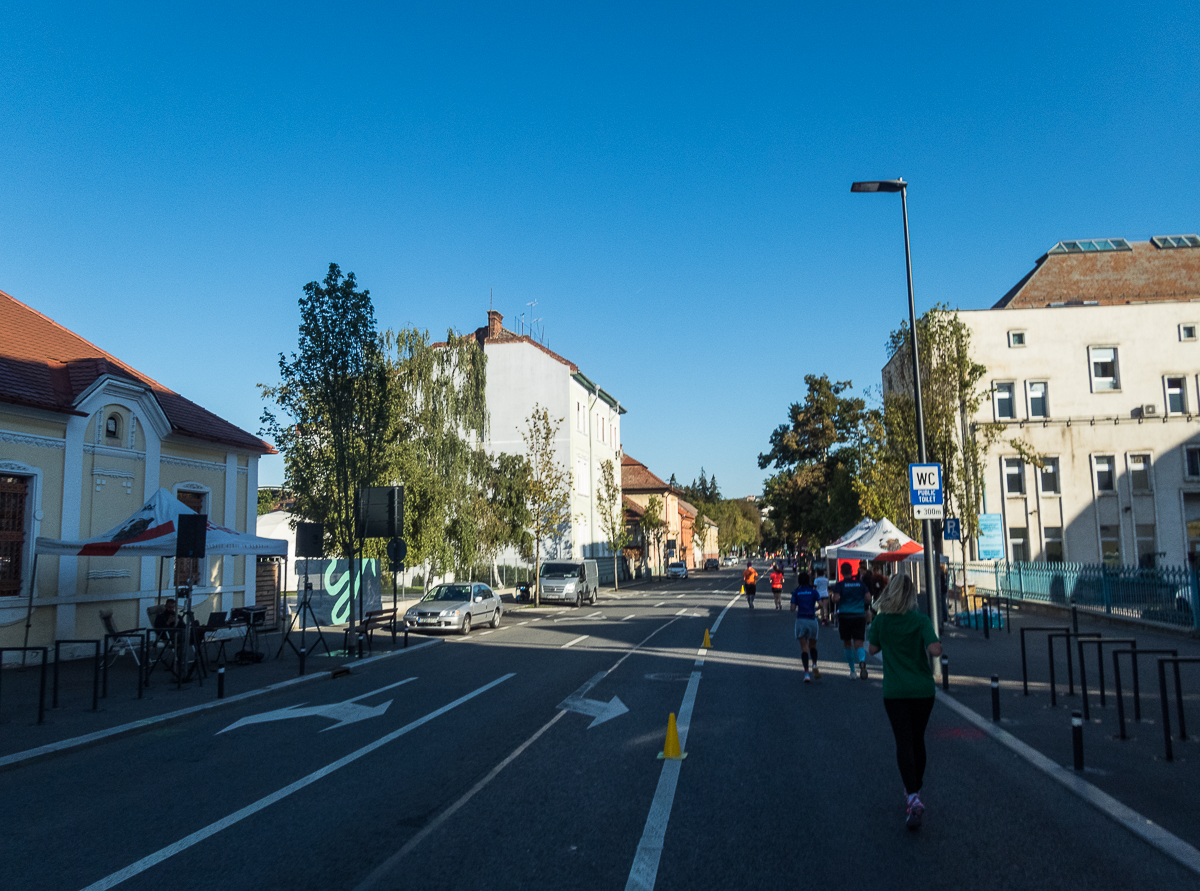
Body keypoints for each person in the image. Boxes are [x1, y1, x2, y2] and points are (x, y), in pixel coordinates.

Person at [868, 573, 942, 830]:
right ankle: (915, 788)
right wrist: (933, 641)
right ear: (911, 594)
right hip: (923, 690)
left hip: (896, 691)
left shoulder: (882, 621)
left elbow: (872, 650)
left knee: (903, 741)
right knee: (918, 738)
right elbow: (935, 650)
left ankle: (912, 794)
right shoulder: (921, 620)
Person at [829, 563, 871, 678]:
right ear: (852, 571)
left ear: (842, 572)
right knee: (859, 643)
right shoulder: (860, 584)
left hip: (845, 616)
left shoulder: (840, 585)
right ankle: (862, 660)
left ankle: (853, 671)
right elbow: (868, 598)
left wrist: (835, 597)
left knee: (847, 644)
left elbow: (836, 599)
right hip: (859, 616)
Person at [790, 571, 822, 682]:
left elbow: (792, 609)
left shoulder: (796, 592)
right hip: (812, 619)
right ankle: (814, 664)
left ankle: (807, 674)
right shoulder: (813, 591)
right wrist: (815, 610)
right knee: (813, 645)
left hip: (801, 619)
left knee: (804, 648)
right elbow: (821, 604)